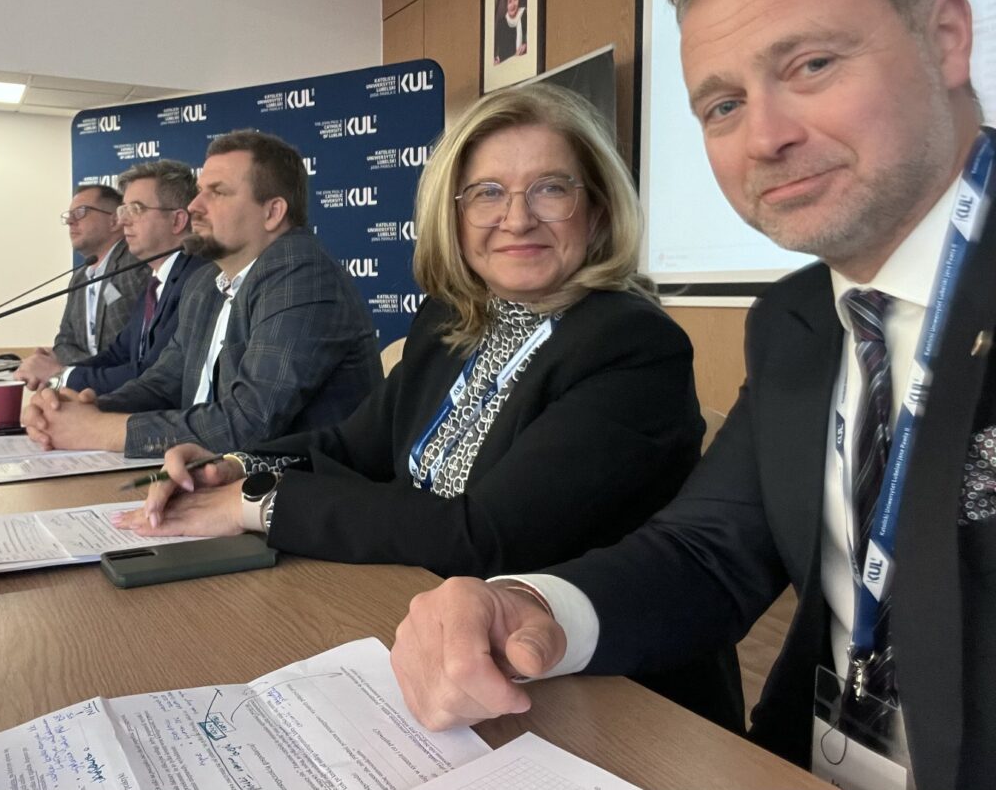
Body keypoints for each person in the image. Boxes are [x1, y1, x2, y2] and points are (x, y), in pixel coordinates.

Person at [389, 0, 996, 790]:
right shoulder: (794, 319)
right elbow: (709, 551)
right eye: (723, 104)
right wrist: (527, 605)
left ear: (946, 39)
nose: (767, 137)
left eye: (813, 65)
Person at [116, 85, 742, 729]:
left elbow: (485, 537)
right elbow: (352, 446)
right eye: (488, 193)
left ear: (599, 211)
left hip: (606, 700)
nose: (517, 218)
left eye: (551, 189)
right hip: (430, 634)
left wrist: (259, 504)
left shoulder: (632, 345)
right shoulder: (452, 319)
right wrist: (233, 466)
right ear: (455, 215)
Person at [23, 130, 381, 458]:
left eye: (218, 192)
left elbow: (247, 422)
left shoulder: (302, 273)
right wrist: (81, 409)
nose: (195, 205)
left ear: (272, 212)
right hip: (210, 475)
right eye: (199, 190)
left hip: (297, 491)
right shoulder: (205, 282)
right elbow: (163, 383)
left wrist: (98, 429)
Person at [15, 160, 208, 395]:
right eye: (123, 210)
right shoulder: (156, 282)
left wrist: (61, 376)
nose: (124, 220)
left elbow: (153, 374)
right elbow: (118, 355)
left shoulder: (197, 281)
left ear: (177, 220)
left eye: (136, 209)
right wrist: (59, 373)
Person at [16, 185, 149, 381]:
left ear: (114, 220)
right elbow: (63, 343)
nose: (70, 221)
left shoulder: (137, 264)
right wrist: (80, 371)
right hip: (86, 385)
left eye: (81, 212)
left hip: (129, 386)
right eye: (69, 215)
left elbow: (138, 349)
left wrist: (70, 370)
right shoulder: (79, 278)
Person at [494, 0, 527, 64]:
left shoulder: (524, 14)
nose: (513, 4)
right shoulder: (501, 24)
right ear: (506, 4)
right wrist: (497, 59)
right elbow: (498, 52)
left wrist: (526, 45)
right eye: (510, 1)